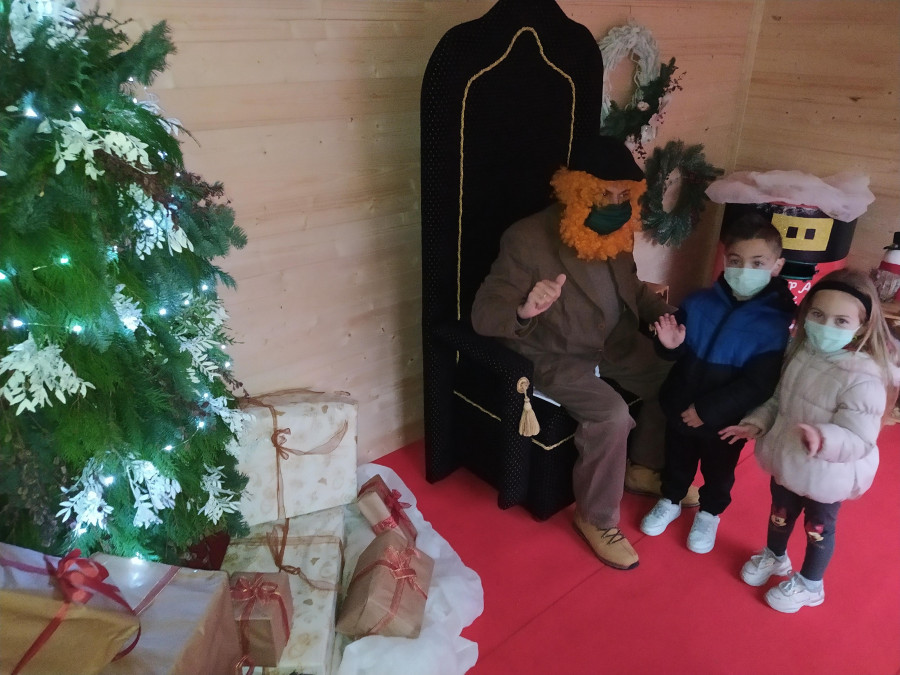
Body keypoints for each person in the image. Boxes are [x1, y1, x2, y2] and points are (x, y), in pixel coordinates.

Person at [471, 134, 696, 571]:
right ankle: (595, 518)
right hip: (554, 353)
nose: (613, 202)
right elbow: (484, 313)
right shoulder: (527, 238)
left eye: (621, 194)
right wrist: (524, 309)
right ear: (575, 189)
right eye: (602, 193)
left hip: (614, 345)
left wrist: (670, 319)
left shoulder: (617, 231)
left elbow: (634, 290)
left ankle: (644, 467)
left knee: (677, 372)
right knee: (610, 415)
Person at [721, 269, 900, 613]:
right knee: (780, 514)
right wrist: (757, 423)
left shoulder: (864, 376)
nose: (825, 326)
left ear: (861, 326)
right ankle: (775, 557)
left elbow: (860, 438)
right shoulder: (801, 353)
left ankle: (811, 584)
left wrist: (823, 439)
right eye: (818, 315)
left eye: (841, 320)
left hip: (828, 475)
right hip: (788, 460)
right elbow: (778, 401)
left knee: (818, 528)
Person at [640, 214, 795, 554]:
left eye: (758, 262)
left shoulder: (774, 325)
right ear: (725, 260)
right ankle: (671, 499)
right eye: (736, 261)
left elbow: (758, 384)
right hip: (680, 407)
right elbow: (675, 349)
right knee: (676, 460)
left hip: (725, 423)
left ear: (777, 265)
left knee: (719, 472)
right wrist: (668, 345)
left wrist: (708, 412)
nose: (744, 269)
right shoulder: (697, 303)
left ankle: (710, 513)